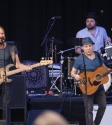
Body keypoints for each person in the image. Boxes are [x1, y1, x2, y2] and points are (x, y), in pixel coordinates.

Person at [71, 37, 109, 125]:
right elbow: (72, 72)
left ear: (93, 46)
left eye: (90, 46)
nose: (88, 48)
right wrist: (76, 76)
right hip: (87, 86)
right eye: (86, 46)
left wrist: (109, 71)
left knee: (103, 106)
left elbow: (103, 67)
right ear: (83, 48)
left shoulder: (98, 55)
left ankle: (96, 123)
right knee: (89, 109)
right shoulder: (80, 59)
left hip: (99, 85)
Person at [0, 26, 32, 124]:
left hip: (8, 79)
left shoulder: (11, 48)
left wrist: (26, 67)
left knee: (7, 106)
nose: (1, 36)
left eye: (2, 33)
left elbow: (17, 64)